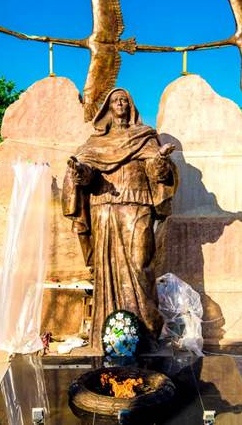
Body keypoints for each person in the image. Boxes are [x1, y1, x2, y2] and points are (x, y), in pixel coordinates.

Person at [63, 88, 177, 351]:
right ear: (108, 108)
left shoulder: (144, 137)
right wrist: (80, 172)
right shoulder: (94, 143)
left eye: (125, 100)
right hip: (104, 208)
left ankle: (145, 333)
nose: (121, 103)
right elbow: (89, 173)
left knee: (139, 265)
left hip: (138, 206)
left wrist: (161, 159)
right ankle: (109, 333)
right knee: (106, 269)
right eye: (116, 100)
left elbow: (155, 173)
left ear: (131, 106)